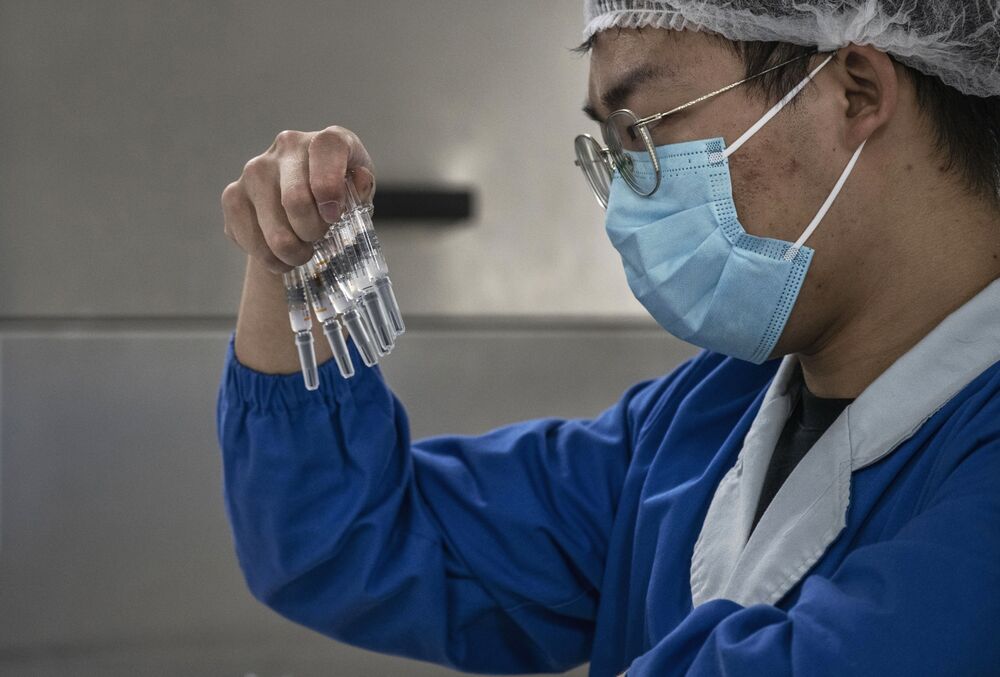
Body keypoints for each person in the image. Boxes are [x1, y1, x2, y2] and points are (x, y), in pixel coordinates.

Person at [216, 1, 1000, 674]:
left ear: (854, 90)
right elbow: (347, 542)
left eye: (645, 128)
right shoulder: (704, 419)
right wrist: (298, 253)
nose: (630, 198)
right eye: (614, 148)